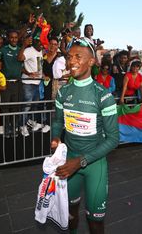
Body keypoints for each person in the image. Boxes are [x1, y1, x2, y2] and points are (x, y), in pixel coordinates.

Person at [51, 37, 119, 234]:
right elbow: (57, 122)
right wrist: (56, 137)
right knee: (70, 214)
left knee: (95, 222)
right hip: (68, 162)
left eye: (78, 57)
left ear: (91, 62)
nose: (71, 61)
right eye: (69, 57)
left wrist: (80, 162)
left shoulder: (103, 95)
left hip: (94, 165)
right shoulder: (63, 92)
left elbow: (114, 139)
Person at [0, 30, 24, 138]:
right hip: (6, 83)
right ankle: (6, 129)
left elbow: (22, 59)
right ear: (8, 38)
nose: (14, 39)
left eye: (16, 37)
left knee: (15, 107)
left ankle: (14, 128)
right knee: (5, 108)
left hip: (17, 83)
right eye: (11, 37)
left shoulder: (21, 49)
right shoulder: (3, 49)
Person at [18, 37, 50, 136]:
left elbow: (39, 68)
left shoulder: (40, 52)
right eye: (39, 42)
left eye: (43, 42)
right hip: (28, 83)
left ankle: (29, 122)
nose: (41, 44)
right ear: (35, 42)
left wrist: (43, 76)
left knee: (35, 105)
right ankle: (21, 126)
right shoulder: (29, 50)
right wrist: (28, 73)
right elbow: (19, 59)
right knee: (26, 106)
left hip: (37, 83)